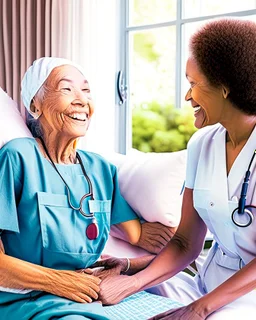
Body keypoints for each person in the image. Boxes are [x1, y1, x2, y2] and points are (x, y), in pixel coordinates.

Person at [95, 18, 256, 319]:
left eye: (193, 84)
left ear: (225, 87)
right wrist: (129, 281)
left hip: (247, 296)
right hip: (206, 284)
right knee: (119, 300)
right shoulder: (202, 144)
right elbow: (184, 242)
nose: (187, 96)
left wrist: (197, 310)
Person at [0, 57, 175, 319]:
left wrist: (173, 235)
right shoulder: (17, 157)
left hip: (92, 296)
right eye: (66, 89)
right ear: (35, 104)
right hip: (31, 300)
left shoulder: (101, 169)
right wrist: (58, 281)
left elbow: (137, 235)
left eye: (86, 90)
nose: (81, 99)